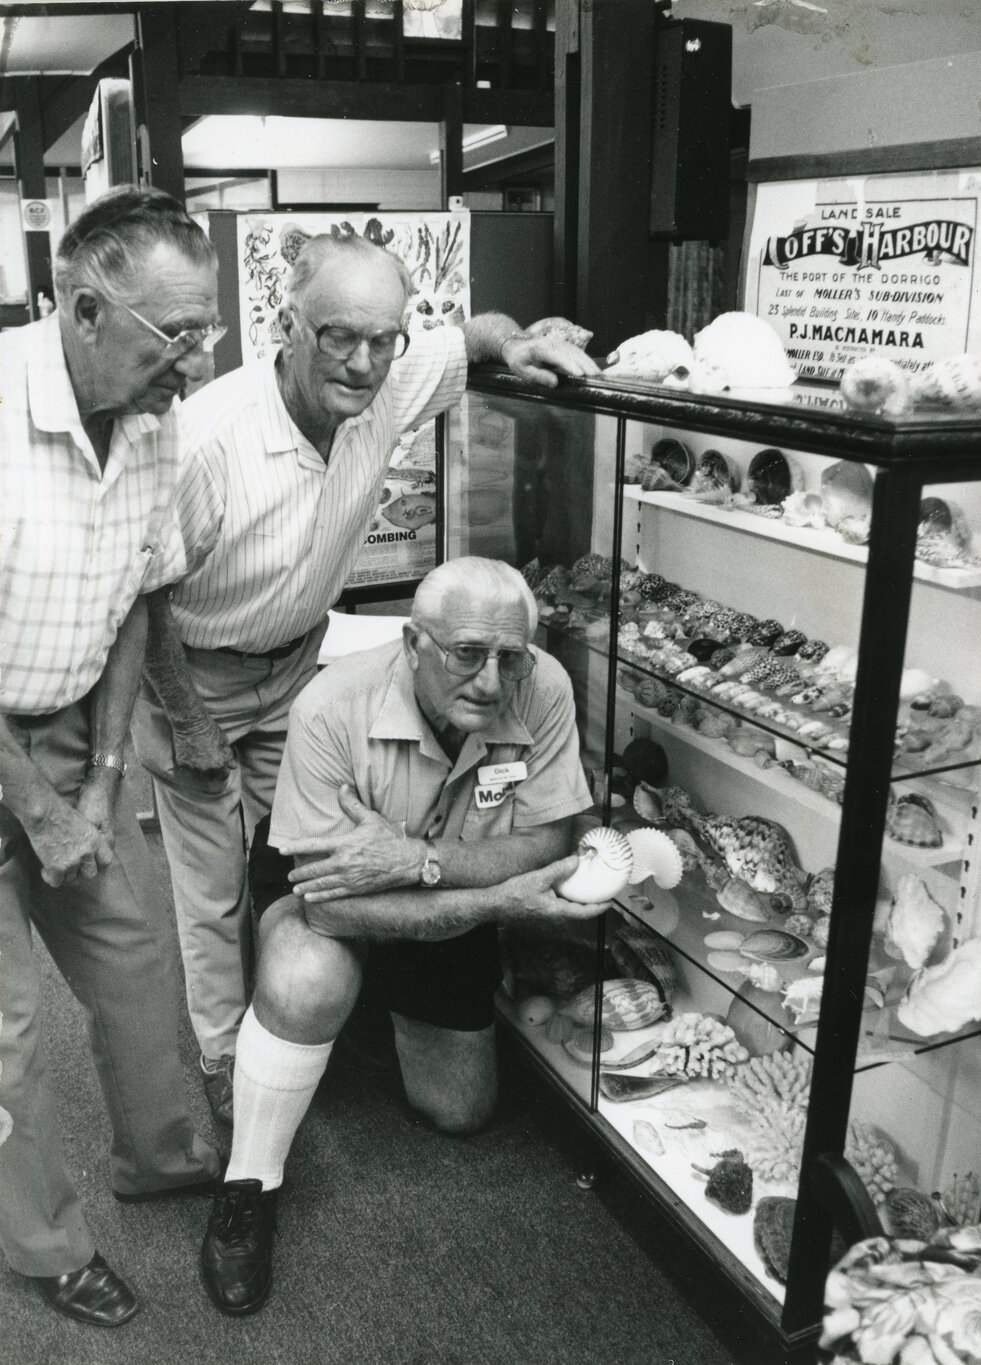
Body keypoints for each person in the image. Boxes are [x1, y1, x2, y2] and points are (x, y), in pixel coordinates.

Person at [132, 231, 601, 1129]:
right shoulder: (207, 440)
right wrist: (185, 718)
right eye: (338, 336)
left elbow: (470, 338)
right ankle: (227, 1056)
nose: (362, 360)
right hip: (193, 671)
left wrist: (511, 342)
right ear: (287, 325)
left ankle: (318, 1003)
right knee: (212, 880)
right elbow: (144, 592)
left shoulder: (388, 381)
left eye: (383, 338)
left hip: (298, 665)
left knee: (308, 861)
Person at [197, 557, 606, 1315]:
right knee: (306, 977)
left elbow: (547, 840)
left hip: (442, 875)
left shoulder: (543, 686)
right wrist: (489, 895)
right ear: (416, 642)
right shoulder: (330, 705)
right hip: (337, 890)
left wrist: (419, 861)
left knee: (461, 1110)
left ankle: (370, 1006)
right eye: (466, 653)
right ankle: (248, 1183)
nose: (490, 680)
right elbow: (331, 909)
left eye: (508, 657)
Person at [0, 187, 224, 1328]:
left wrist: (93, 782)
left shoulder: (151, 410)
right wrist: (35, 810)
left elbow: (141, 597)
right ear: (86, 309)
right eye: (176, 336)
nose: (193, 364)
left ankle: (174, 1156)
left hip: (72, 727)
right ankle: (45, 1249)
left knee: (136, 967)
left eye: (207, 334)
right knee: (8, 1035)